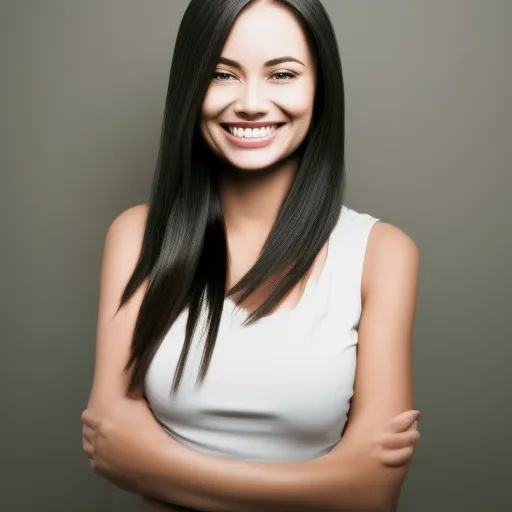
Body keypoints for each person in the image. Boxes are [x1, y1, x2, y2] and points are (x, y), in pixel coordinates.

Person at [81, 0, 421, 510]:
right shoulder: (137, 236)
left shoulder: (382, 254)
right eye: (222, 74)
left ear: (320, 87)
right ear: (190, 87)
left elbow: (373, 494)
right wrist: (336, 484)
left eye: (282, 74)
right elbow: (109, 444)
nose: (251, 103)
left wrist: (150, 464)